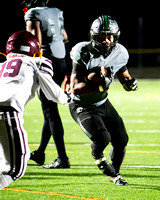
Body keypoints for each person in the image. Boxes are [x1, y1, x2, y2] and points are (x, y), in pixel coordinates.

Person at [69, 15, 138, 185]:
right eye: (102, 37)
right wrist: (101, 85)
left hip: (102, 102)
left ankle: (115, 174)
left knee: (121, 139)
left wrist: (130, 83)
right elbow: (74, 87)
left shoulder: (120, 52)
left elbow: (124, 76)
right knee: (102, 139)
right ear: (93, 37)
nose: (107, 41)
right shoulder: (83, 51)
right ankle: (97, 156)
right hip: (82, 105)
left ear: (116, 37)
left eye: (110, 37)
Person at [0, 30, 70, 190]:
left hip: (4, 110)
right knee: (15, 169)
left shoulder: (2, 65)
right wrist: (67, 96)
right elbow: (53, 93)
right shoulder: (37, 62)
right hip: (6, 112)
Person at [23, 0, 70, 168]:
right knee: (50, 109)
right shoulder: (57, 11)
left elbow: (35, 40)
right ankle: (41, 153)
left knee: (50, 111)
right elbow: (64, 36)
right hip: (61, 60)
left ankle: (62, 158)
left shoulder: (33, 13)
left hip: (47, 61)